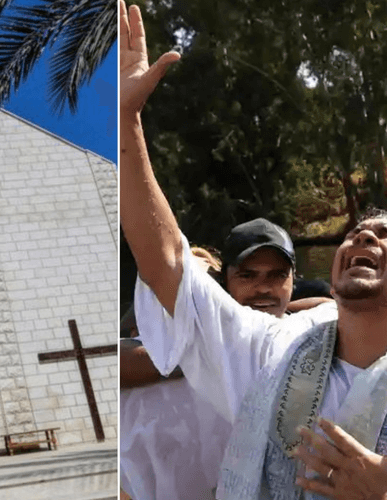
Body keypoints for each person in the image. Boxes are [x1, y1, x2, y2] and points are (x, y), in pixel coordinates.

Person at [119, 2, 387, 498]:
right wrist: (125, 122)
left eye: (385, 236)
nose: (365, 237)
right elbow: (170, 263)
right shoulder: (275, 352)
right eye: (356, 233)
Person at [121, 230, 308, 500]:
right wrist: (210, 353)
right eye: (247, 275)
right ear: (224, 283)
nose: (264, 287)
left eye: (278, 275)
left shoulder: (312, 328)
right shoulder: (179, 350)